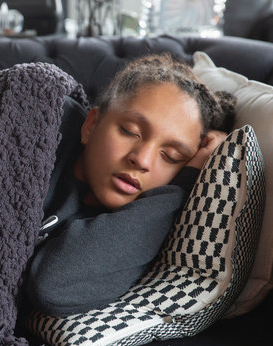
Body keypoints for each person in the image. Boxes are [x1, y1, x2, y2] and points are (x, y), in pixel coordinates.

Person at [24, 53, 236, 317]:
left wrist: (184, 186)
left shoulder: (130, 230)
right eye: (130, 132)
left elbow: (55, 284)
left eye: (171, 156)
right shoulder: (42, 125)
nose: (142, 159)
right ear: (91, 125)